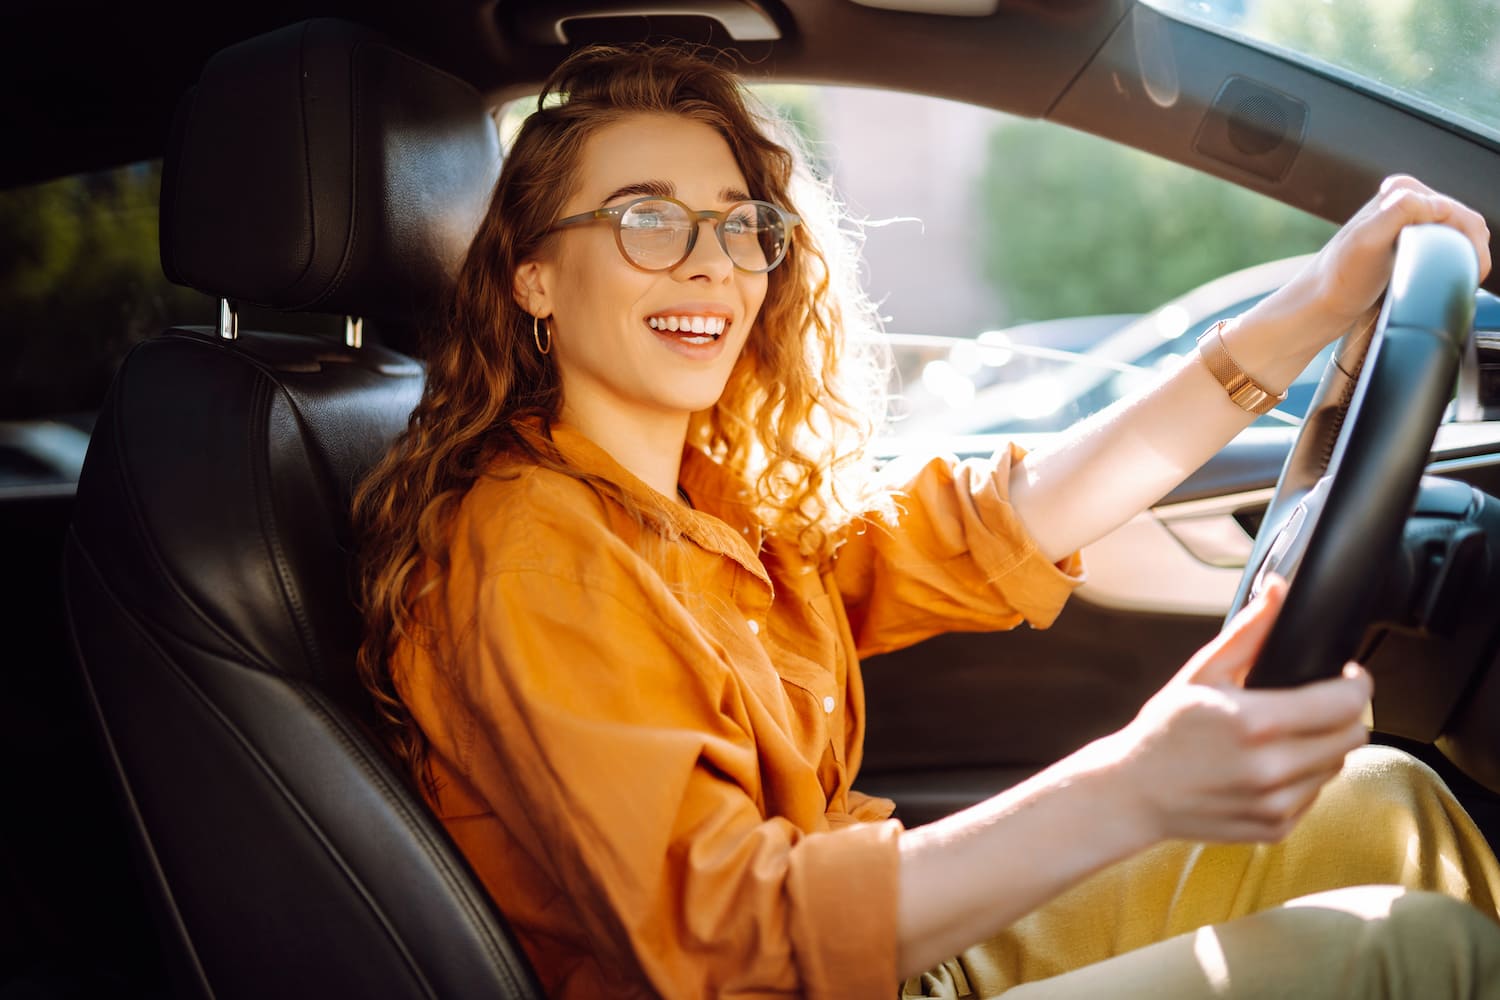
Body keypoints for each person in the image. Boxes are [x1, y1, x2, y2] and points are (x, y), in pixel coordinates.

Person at [352, 43, 1500, 999]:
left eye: (739, 225)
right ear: (534, 276)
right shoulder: (532, 547)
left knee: (1387, 808)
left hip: (896, 960)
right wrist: (1135, 781)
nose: (711, 267)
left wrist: (1311, 301)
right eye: (648, 220)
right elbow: (724, 945)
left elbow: (1001, 522)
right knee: (1411, 954)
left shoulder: (707, 503)